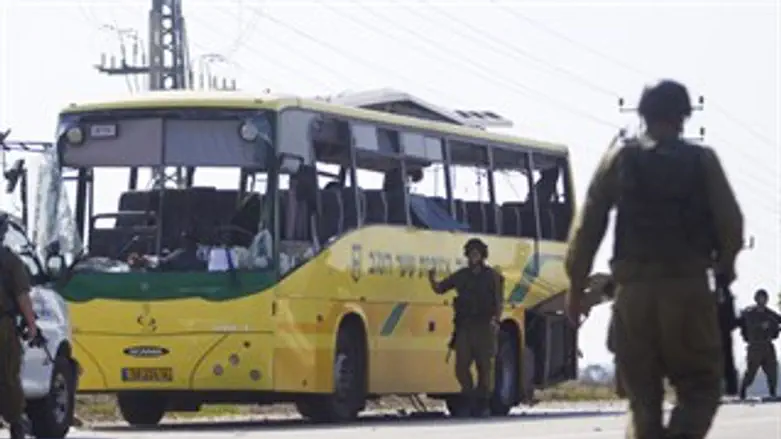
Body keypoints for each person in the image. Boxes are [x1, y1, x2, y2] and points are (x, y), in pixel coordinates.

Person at [564, 79, 744, 439]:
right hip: (689, 290)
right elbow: (731, 225)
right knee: (701, 388)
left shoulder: (620, 158)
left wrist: (575, 285)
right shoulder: (702, 161)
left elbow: (589, 225)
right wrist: (725, 269)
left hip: (633, 296)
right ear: (684, 117)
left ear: (643, 115)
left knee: (642, 399)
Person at [427, 238, 503, 417]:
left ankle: (483, 401)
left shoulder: (492, 276)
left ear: (483, 255)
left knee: (485, 368)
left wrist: (496, 321)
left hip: (485, 326)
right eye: (470, 253)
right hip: (466, 327)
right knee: (461, 367)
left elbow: (499, 301)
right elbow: (441, 288)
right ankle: (469, 396)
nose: (473, 256)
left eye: (476, 253)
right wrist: (432, 280)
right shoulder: (462, 276)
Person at [0, 214, 38, 439]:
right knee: (8, 375)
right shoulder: (9, 260)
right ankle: (15, 422)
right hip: (3, 326)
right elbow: (23, 296)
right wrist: (32, 325)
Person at [737, 288, 781, 400]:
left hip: (767, 345)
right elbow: (743, 324)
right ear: (756, 299)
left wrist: (772, 327)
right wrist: (760, 326)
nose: (762, 300)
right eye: (760, 298)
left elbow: (777, 322)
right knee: (751, 373)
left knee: (772, 371)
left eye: (764, 298)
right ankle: (742, 392)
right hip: (755, 346)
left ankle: (772, 392)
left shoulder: (770, 314)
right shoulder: (749, 314)